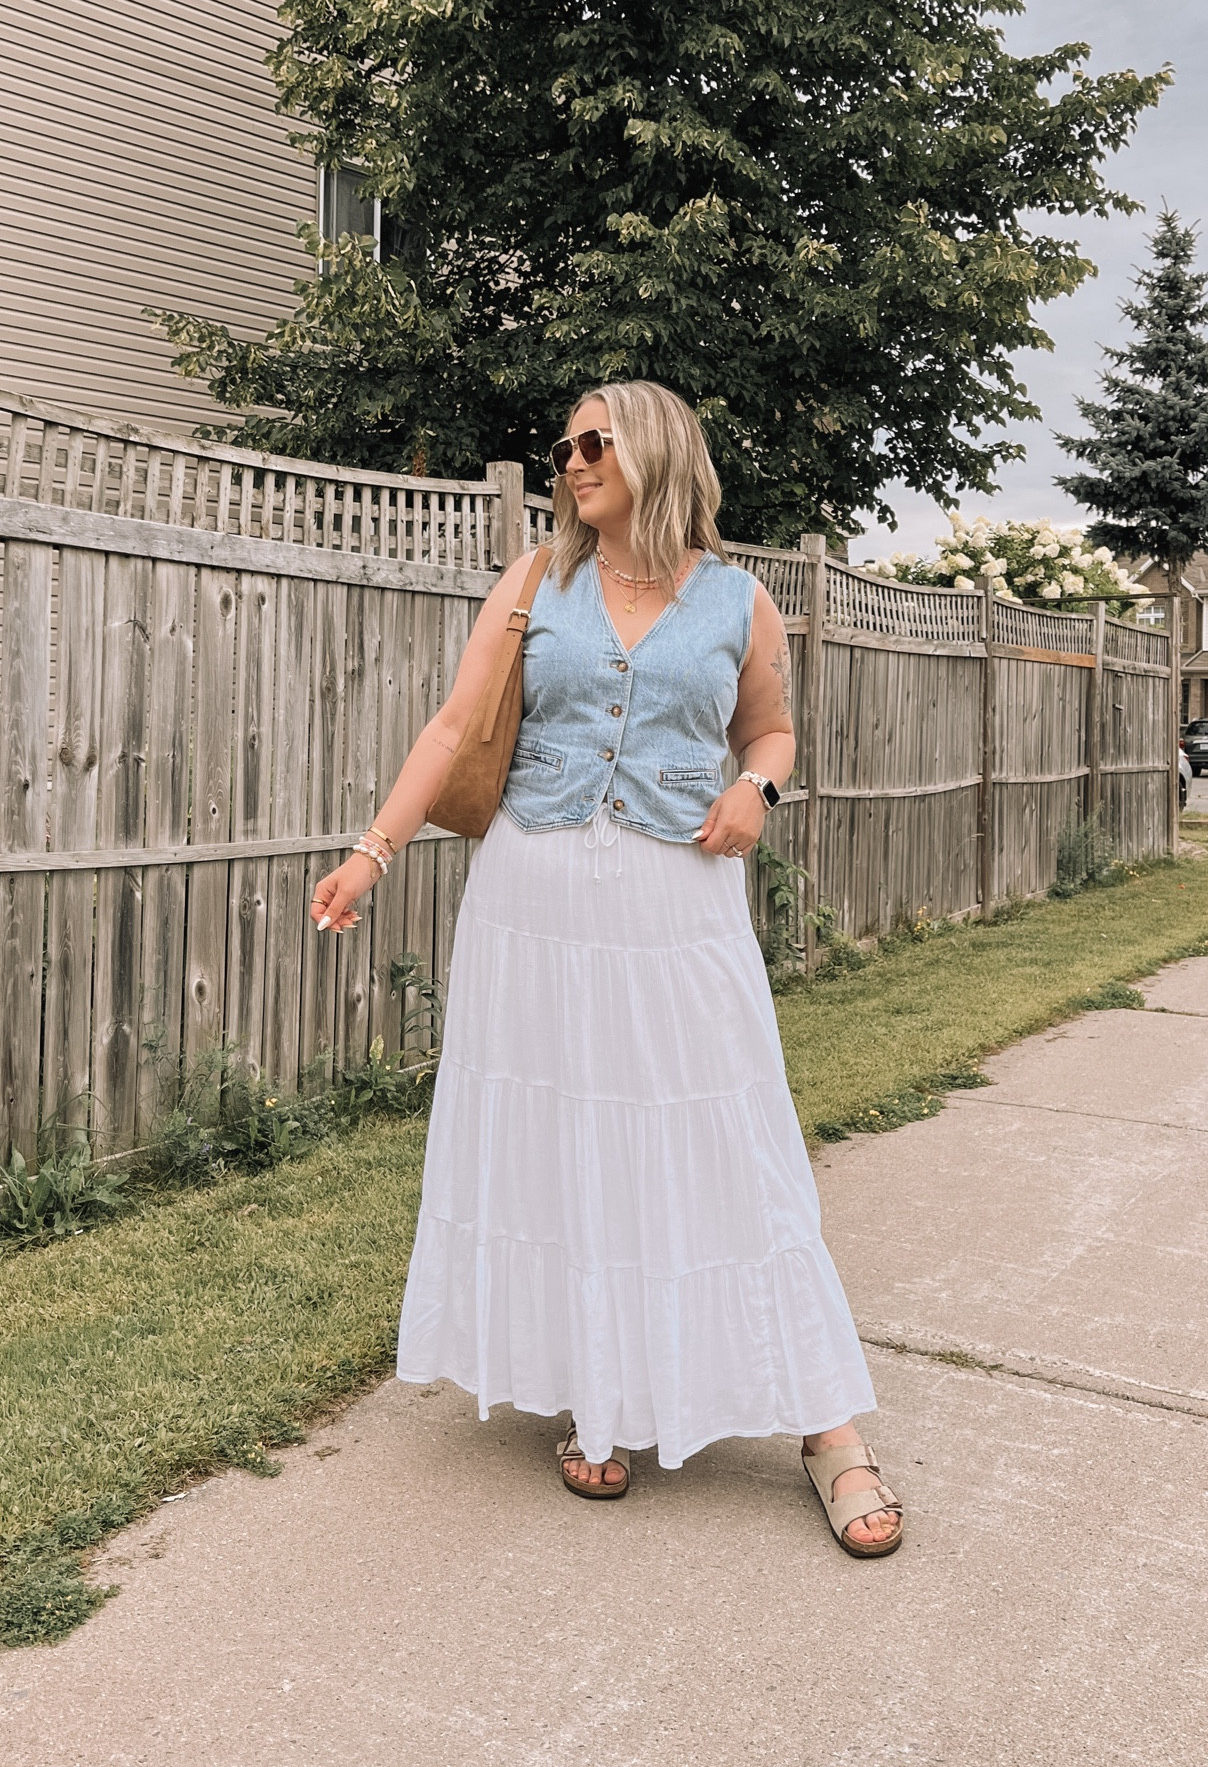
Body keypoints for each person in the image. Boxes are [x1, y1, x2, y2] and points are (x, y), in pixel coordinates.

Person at [310, 381, 902, 1557]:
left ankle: (826, 1423)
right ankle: (606, 1392)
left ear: (655, 450)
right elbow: (451, 725)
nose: (570, 461)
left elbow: (770, 731)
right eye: (565, 445)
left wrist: (756, 790)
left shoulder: (742, 598)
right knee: (569, 1137)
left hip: (676, 901)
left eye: (593, 442)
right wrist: (372, 849)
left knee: (727, 1134)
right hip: (531, 902)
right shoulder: (538, 581)